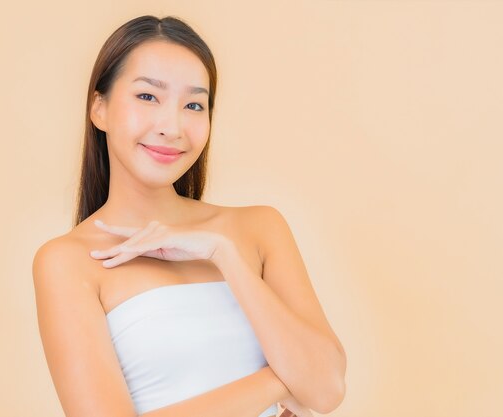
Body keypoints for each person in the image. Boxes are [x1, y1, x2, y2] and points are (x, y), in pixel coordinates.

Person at [32, 14, 346, 417]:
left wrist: (224, 255)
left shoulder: (259, 229)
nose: (172, 126)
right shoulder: (67, 261)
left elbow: (327, 391)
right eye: (148, 97)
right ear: (100, 108)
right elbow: (312, 383)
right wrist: (277, 381)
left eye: (194, 104)